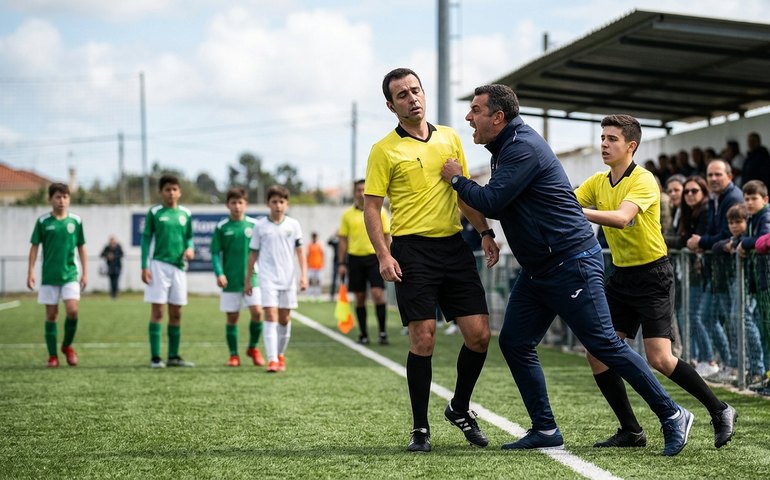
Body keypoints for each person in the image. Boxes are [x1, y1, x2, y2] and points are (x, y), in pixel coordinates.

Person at [441, 84, 693, 456]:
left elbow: (492, 200)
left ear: (498, 117)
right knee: (514, 341)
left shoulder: (522, 145)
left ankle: (673, 414)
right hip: (540, 268)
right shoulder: (505, 147)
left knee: (604, 344)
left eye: (475, 110)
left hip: (570, 261)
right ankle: (544, 428)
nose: (468, 117)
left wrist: (458, 178)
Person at [575, 114, 736, 450]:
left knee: (660, 359)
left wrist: (578, 212)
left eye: (612, 139)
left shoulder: (645, 180)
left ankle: (720, 410)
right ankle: (631, 431)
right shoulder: (597, 182)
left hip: (653, 275)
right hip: (621, 277)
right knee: (596, 353)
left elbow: (621, 219)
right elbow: (565, 200)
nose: (604, 144)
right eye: (602, 138)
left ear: (631, 146)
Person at [364, 68, 500, 453]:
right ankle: (420, 428)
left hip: (454, 247)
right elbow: (372, 208)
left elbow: (463, 194)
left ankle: (459, 407)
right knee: (423, 339)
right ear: (391, 106)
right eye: (402, 95)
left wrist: (486, 233)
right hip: (411, 251)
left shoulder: (451, 138)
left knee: (479, 335)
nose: (412, 98)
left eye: (416, 90)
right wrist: (384, 254)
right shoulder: (384, 150)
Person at [245, 185, 308, 373]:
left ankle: (280, 355)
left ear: (286, 204)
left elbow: (300, 252)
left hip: (288, 279)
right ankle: (272, 359)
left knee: (284, 318)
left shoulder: (293, 225)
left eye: (281, 202)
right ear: (268, 204)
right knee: (270, 315)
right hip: (267, 278)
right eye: (274, 202)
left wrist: (303, 276)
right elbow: (253, 254)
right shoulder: (260, 226)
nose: (278, 205)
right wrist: (249, 278)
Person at [27, 182, 87, 368]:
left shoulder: (75, 221)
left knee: (73, 310)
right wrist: (30, 271)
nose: (62, 201)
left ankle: (67, 346)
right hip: (49, 276)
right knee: (51, 315)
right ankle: (53, 356)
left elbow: (81, 246)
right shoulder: (43, 221)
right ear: (50, 199)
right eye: (58, 197)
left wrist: (85, 272)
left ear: (69, 199)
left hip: (70, 274)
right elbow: (35, 246)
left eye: (65, 197)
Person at [141, 174, 195, 368]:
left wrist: (190, 248)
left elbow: (189, 237)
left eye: (174, 189)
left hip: (179, 268)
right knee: (158, 311)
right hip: (158, 266)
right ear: (160, 192)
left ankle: (173, 356)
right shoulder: (154, 212)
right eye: (167, 190)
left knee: (177, 312)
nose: (171, 193)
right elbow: (146, 239)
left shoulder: (185, 214)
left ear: (179, 192)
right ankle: (155, 357)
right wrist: (144, 266)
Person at [210, 187, 264, 367]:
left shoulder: (254, 226)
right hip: (230, 280)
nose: (237, 206)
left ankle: (253, 348)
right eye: (233, 203)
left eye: (240, 203)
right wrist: (219, 273)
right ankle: (234, 355)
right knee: (232, 318)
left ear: (246, 204)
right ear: (227, 205)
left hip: (251, 278)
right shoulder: (222, 227)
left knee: (257, 312)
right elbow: (215, 253)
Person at [337, 179, 391, 345]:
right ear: (354, 193)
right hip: (355, 259)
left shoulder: (380, 212)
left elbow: (387, 235)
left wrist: (388, 256)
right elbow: (343, 240)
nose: (361, 193)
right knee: (359, 297)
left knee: (377, 294)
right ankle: (363, 334)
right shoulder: (347, 215)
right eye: (358, 190)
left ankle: (382, 332)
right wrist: (341, 263)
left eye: (364, 190)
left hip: (375, 258)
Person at [99, 235, 123, 300]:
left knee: (116, 282)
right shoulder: (107, 248)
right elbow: (101, 254)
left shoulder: (118, 247)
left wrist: (114, 256)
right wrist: (107, 256)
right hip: (110, 267)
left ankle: (115, 294)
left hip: (117, 267)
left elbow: (122, 254)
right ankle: (112, 295)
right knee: (111, 282)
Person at [306, 232, 324, 302]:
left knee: (318, 281)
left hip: (318, 266)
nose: (314, 238)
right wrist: (307, 264)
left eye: (315, 237)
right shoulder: (309, 245)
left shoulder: (319, 245)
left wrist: (322, 264)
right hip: (311, 266)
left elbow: (322, 255)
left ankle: (318, 295)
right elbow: (307, 255)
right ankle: (309, 295)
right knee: (310, 281)